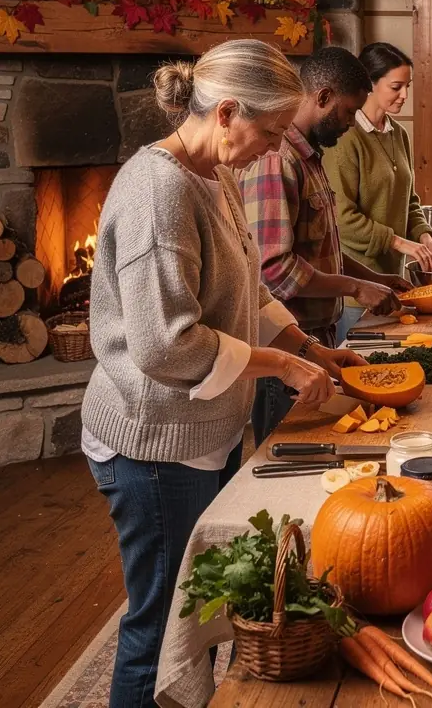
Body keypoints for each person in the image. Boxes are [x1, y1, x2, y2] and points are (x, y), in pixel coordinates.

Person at [81, 40, 364, 708]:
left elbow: (248, 290)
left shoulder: (216, 173)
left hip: (197, 429)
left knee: (197, 613)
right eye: (270, 132)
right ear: (228, 112)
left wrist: (306, 346)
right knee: (160, 626)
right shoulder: (159, 191)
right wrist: (278, 364)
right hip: (150, 440)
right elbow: (164, 345)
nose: (275, 147)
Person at [239, 45, 409, 447]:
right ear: (323, 97)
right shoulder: (276, 160)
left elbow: (323, 248)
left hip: (318, 340)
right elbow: (273, 270)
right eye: (349, 112)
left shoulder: (310, 157)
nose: (351, 123)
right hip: (288, 346)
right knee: (292, 455)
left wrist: (371, 276)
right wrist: (354, 288)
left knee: (324, 446)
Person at [333, 42, 432, 336]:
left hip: (391, 283)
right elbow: (342, 219)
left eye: (407, 86)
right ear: (369, 84)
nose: (405, 95)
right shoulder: (346, 138)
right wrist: (401, 244)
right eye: (396, 86)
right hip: (355, 291)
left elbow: (408, 200)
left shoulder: (399, 134)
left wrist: (424, 236)